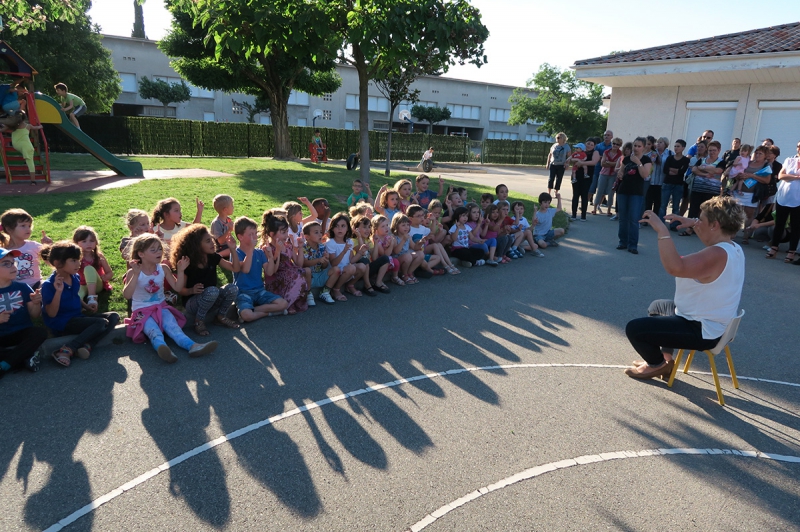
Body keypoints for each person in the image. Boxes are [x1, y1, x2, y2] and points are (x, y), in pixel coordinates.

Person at [623, 196, 745, 380]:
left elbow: (675, 267)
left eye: (701, 220)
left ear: (715, 225)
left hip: (701, 329)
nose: (697, 225)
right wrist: (695, 222)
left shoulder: (715, 254)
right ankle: (665, 360)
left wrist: (662, 231)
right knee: (658, 307)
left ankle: (657, 365)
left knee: (635, 329)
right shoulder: (734, 247)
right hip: (711, 322)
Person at [123, 234, 217, 362]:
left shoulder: (163, 268)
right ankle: (163, 349)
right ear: (141, 254)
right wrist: (135, 274)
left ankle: (194, 346)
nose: (159, 252)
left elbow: (177, 288)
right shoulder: (133, 272)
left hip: (161, 307)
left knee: (173, 328)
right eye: (153, 250)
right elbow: (127, 295)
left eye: (160, 248)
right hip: (141, 311)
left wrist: (181, 270)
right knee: (153, 331)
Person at [40, 241, 120, 367]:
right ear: (57, 263)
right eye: (73, 260)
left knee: (114, 316)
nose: (79, 263)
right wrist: (58, 291)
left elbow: (75, 296)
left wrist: (86, 306)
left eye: (78, 259)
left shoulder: (74, 277)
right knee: (101, 323)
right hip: (62, 323)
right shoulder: (48, 285)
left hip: (77, 317)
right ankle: (68, 349)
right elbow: (51, 313)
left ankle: (88, 345)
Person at [172, 224, 241, 335]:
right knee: (212, 291)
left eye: (212, 240)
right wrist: (191, 290)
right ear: (197, 245)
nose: (213, 243)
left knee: (232, 288)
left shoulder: (213, 257)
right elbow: (180, 290)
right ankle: (199, 321)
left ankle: (220, 316)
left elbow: (235, 268)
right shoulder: (188, 263)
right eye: (208, 241)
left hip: (211, 297)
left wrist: (233, 250)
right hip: (192, 303)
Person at [0, 248, 47, 376]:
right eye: (6, 264)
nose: (13, 266)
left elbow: (35, 315)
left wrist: (36, 303)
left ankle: (4, 366)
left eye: (13, 262)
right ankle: (22, 359)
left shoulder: (22, 287)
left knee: (40, 333)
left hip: (21, 332)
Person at [233, 216, 290, 319]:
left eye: (255, 233)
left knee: (283, 304)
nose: (255, 237)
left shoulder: (259, 252)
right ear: (240, 237)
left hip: (260, 291)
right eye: (251, 234)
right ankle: (268, 313)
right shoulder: (236, 253)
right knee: (247, 315)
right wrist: (250, 250)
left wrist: (271, 257)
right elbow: (245, 269)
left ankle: (255, 310)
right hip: (243, 292)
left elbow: (270, 272)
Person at [261, 210, 309, 314]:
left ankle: (294, 301)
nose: (286, 235)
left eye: (287, 232)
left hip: (290, 274)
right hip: (275, 279)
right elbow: (274, 270)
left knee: (301, 271)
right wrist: (277, 251)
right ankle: (288, 303)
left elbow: (298, 263)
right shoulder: (267, 248)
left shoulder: (288, 245)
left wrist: (300, 247)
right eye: (283, 232)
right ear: (272, 234)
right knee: (294, 274)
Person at [616, 137, 652, 254]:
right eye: (634, 146)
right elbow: (621, 171)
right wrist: (620, 174)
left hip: (636, 193)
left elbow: (645, 175)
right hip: (623, 190)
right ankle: (622, 242)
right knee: (623, 218)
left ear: (644, 147)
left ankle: (632, 245)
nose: (636, 148)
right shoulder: (627, 159)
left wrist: (638, 163)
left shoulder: (646, 160)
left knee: (633, 219)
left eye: (639, 146)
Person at [0, 208, 53, 289]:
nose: (28, 229)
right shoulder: (3, 251)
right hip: (14, 289)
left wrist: (48, 247)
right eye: (23, 226)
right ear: (9, 229)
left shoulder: (34, 246)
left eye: (29, 225)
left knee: (48, 288)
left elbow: (52, 262)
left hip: (37, 285)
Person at [728, 145, 771, 243]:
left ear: (765, 155)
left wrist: (752, 175)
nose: (757, 155)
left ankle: (746, 236)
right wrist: (739, 176)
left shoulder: (765, 165)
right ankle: (732, 234)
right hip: (739, 191)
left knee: (749, 214)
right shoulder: (748, 162)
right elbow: (738, 171)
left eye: (760, 153)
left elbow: (767, 180)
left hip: (752, 193)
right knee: (735, 213)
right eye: (756, 153)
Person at [681, 140, 725, 236]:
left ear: (719, 150)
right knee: (693, 209)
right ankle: (690, 229)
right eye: (710, 150)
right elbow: (694, 169)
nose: (712, 152)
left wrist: (703, 168)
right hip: (697, 189)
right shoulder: (702, 160)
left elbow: (718, 170)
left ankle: (706, 230)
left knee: (709, 212)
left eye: (714, 150)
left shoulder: (721, 162)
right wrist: (705, 173)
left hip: (712, 191)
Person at [766, 141, 800, 263]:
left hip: (798, 199)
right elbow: (781, 175)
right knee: (779, 224)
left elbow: (786, 176)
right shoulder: (790, 160)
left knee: (796, 226)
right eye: (798, 146)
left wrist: (789, 176)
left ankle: (791, 252)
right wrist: (796, 177)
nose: (799, 149)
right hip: (784, 196)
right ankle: (774, 248)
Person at [326, 212, 370, 298]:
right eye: (336, 226)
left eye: (343, 226)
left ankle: (350, 285)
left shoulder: (349, 241)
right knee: (351, 268)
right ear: (332, 228)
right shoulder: (330, 243)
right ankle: (336, 289)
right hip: (336, 272)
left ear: (347, 228)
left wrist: (360, 252)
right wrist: (343, 252)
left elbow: (351, 260)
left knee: (362, 267)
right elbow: (333, 264)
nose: (340, 229)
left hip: (348, 270)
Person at [72, 226, 113, 308]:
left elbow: (110, 272)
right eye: (84, 241)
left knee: (88, 268)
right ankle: (80, 308)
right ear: (76, 243)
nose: (89, 244)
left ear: (96, 242)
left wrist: (106, 277)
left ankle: (92, 297)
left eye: (91, 241)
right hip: (81, 285)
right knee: (76, 297)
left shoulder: (98, 256)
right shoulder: (74, 257)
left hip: (97, 285)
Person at [350, 214, 393, 291]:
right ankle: (367, 284)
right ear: (356, 229)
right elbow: (361, 252)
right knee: (364, 260)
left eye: (369, 227)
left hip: (368, 269)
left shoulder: (368, 241)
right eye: (364, 227)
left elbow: (374, 258)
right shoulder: (353, 241)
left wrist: (376, 243)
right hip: (358, 270)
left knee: (385, 258)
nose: (367, 229)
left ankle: (378, 282)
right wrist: (359, 237)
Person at [302, 221, 339, 305]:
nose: (320, 235)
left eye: (321, 232)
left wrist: (325, 260)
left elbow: (324, 267)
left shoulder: (322, 247)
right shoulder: (303, 248)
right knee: (306, 270)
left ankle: (325, 291)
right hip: (309, 278)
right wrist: (318, 260)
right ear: (307, 236)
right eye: (316, 232)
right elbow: (304, 264)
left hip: (320, 275)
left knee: (336, 269)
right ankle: (308, 293)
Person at [0, 111, 43, 185]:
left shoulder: (12, 126)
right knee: (30, 163)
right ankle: (33, 181)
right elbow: (36, 127)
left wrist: (3, 125)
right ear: (24, 118)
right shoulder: (28, 126)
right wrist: (40, 126)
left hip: (16, 145)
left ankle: (25, 158)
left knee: (28, 158)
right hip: (26, 146)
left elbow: (1, 130)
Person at [660, 140, 691, 224]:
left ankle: (674, 224)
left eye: (678, 146)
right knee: (663, 205)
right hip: (667, 183)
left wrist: (674, 170)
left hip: (678, 184)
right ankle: (660, 223)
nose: (676, 148)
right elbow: (665, 170)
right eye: (675, 146)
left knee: (676, 206)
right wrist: (676, 170)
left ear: (683, 148)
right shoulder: (670, 158)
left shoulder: (685, 160)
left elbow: (681, 171)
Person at [568, 140, 598, 221]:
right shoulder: (578, 152)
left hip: (587, 177)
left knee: (584, 195)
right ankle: (573, 214)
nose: (589, 146)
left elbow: (594, 162)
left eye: (591, 144)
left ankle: (583, 215)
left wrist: (582, 163)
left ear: (594, 146)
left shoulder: (595, 153)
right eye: (588, 143)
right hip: (576, 175)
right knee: (575, 195)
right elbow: (571, 159)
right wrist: (577, 160)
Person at [643, 137, 672, 219]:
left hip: (662, 181)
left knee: (658, 202)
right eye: (658, 142)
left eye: (661, 142)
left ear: (665, 144)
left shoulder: (669, 153)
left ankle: (654, 219)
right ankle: (646, 218)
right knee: (648, 200)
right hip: (651, 180)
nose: (658, 144)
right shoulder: (652, 153)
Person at [593, 137, 622, 216]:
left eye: (617, 144)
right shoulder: (606, 152)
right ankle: (594, 208)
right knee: (599, 191)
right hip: (603, 173)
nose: (615, 145)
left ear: (620, 146)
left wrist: (608, 163)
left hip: (613, 175)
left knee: (611, 192)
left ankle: (609, 209)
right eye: (614, 143)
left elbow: (619, 164)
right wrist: (614, 163)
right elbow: (602, 164)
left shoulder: (620, 154)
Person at [590, 130, 614, 200]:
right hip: (597, 169)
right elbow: (595, 157)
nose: (606, 136)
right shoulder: (598, 146)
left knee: (603, 190)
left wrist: (602, 158)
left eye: (608, 135)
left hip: (607, 170)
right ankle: (585, 204)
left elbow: (614, 158)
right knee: (592, 187)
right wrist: (604, 158)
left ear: (611, 137)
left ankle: (598, 205)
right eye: (605, 135)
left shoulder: (613, 147)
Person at [210, 194, 235, 258]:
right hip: (218, 247)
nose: (233, 207)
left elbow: (229, 235)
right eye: (232, 205)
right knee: (232, 250)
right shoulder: (216, 223)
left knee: (238, 248)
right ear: (225, 210)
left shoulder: (228, 219)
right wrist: (229, 230)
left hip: (226, 245)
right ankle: (216, 256)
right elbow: (220, 241)